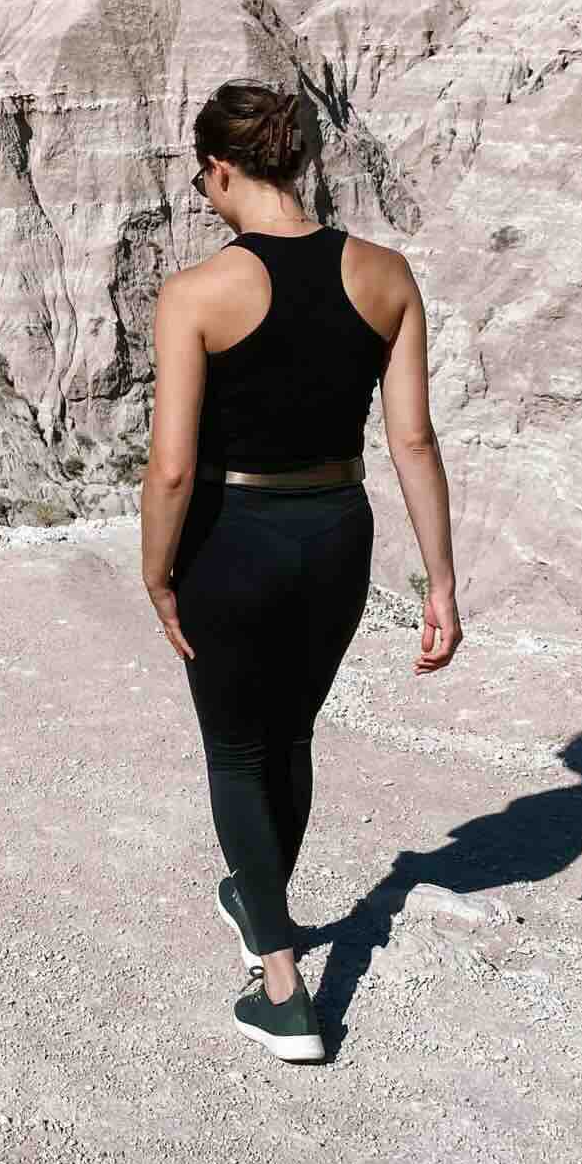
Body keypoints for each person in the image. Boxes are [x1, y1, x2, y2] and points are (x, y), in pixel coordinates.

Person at [140, 79, 463, 1062]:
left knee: (236, 751)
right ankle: (260, 890)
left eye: (203, 176)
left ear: (227, 168)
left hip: (231, 535)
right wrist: (438, 582)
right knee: (291, 735)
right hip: (337, 531)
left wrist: (157, 572)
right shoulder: (387, 274)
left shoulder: (196, 294)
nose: (202, 192)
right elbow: (411, 439)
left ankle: (282, 985)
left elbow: (173, 465)